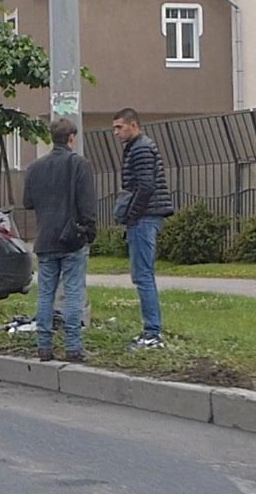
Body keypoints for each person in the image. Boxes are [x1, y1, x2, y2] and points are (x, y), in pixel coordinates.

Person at [23, 118, 97, 362]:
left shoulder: (35, 168)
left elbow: (28, 203)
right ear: (71, 138)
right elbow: (86, 205)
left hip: (45, 239)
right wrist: (89, 232)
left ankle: (44, 346)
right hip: (71, 239)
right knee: (73, 293)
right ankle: (73, 347)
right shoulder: (79, 164)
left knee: (45, 294)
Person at [112, 108, 174, 350]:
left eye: (119, 127)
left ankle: (152, 333)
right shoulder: (138, 147)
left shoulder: (140, 149)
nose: (115, 132)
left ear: (133, 125)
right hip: (147, 216)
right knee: (142, 275)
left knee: (144, 275)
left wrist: (131, 215)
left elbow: (145, 187)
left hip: (145, 217)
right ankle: (151, 331)